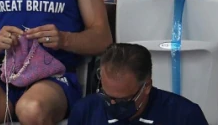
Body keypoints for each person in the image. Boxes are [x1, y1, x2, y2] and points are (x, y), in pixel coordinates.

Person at [69, 43, 208, 125]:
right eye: (105, 95)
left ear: (146, 86)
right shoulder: (84, 112)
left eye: (122, 100)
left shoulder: (184, 116)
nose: (112, 103)